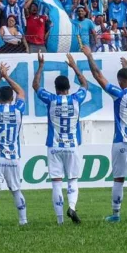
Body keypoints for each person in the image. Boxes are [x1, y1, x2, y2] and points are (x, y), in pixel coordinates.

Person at [81, 44, 127, 223]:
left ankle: (116, 214)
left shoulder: (119, 94)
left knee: (119, 179)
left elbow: (98, 75)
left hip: (121, 141)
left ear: (119, 82)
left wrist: (89, 56)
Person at [32, 51, 88, 224]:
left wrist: (41, 66)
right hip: (72, 146)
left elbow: (35, 86)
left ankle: (60, 220)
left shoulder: (50, 99)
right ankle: (71, 206)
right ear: (68, 88)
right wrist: (74, 67)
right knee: (72, 179)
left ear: (55, 89)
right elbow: (85, 84)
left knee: (57, 182)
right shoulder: (76, 98)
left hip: (54, 146)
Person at [0, 62, 27, 227]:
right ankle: (23, 220)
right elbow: (21, 92)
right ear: (12, 98)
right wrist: (7, 76)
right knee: (16, 190)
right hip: (13, 157)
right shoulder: (18, 110)